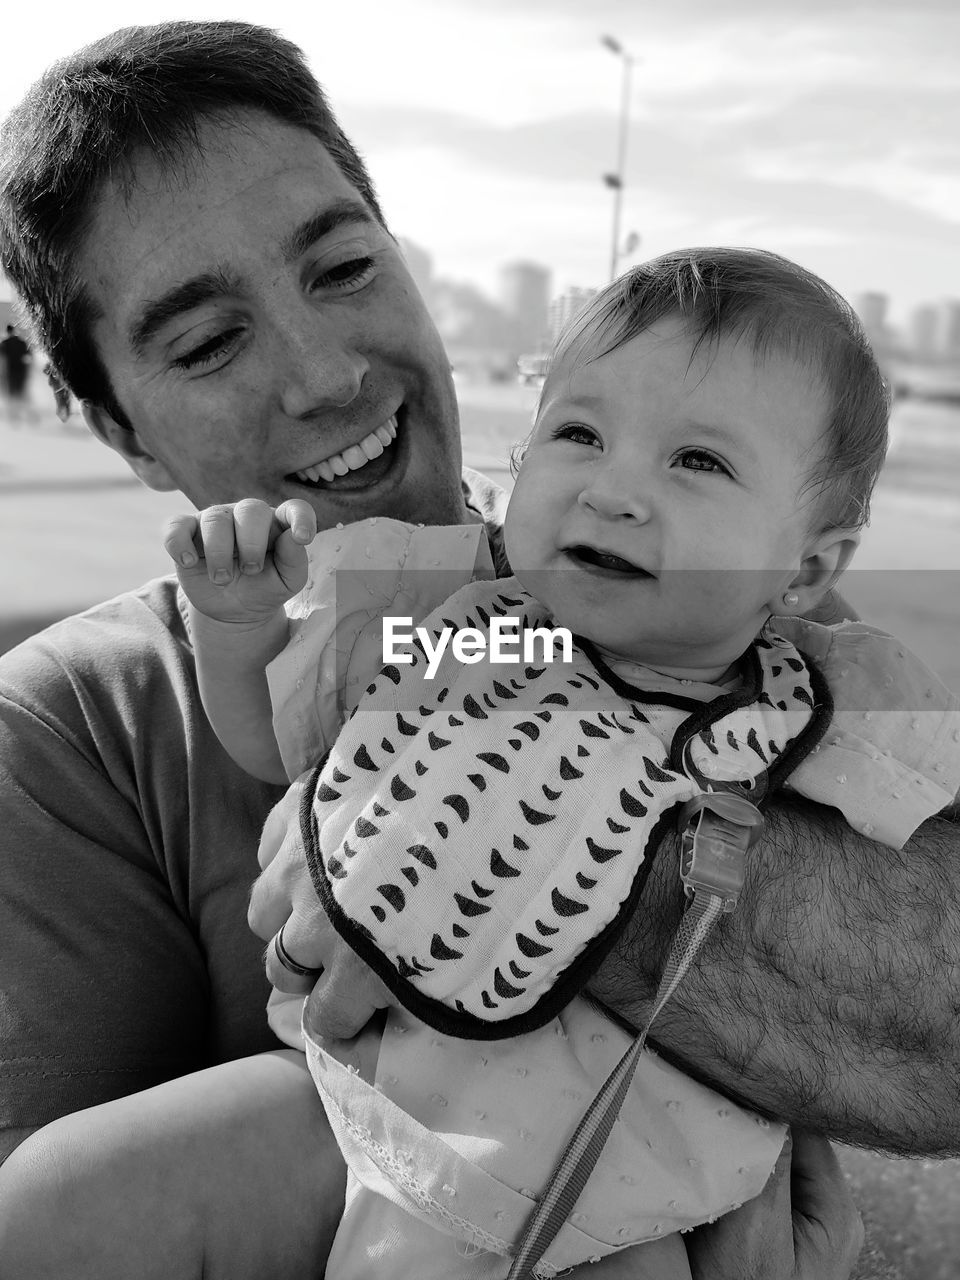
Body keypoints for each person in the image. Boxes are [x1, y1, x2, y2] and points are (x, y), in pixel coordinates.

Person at [0, 19, 935, 1278]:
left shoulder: (777, 652)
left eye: (340, 268)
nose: (327, 374)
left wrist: (561, 850)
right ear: (126, 436)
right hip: (365, 1130)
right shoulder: (64, 732)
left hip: (628, 1188)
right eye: (209, 341)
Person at [166, 249, 960, 1277]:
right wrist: (234, 623)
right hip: (356, 1113)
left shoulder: (814, 700)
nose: (612, 490)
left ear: (806, 566)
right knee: (55, 1198)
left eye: (699, 461)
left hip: (621, 1207)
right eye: (579, 434)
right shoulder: (496, 637)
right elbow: (286, 733)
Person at [0, 322, 33, 423]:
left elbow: (2, 357)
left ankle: (13, 415)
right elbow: (29, 356)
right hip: (21, 371)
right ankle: (22, 414)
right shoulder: (22, 342)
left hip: (10, 371)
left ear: (7, 331)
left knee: (11, 392)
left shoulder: (4, 342)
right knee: (20, 391)